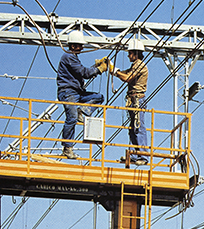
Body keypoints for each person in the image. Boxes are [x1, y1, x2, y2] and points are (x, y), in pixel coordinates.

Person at [57, 30, 107, 159]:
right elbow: (84, 73)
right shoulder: (68, 57)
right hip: (68, 92)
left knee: (99, 97)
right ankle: (67, 148)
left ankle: (82, 111)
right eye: (80, 45)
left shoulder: (72, 57)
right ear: (73, 45)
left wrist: (96, 67)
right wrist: (99, 69)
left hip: (77, 92)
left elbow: (82, 71)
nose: (82, 48)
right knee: (72, 118)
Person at [112, 39, 149, 166]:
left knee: (138, 127)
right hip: (133, 100)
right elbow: (126, 72)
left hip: (138, 100)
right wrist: (115, 70)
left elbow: (127, 77)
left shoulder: (139, 65)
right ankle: (134, 154)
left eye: (130, 53)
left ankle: (143, 155)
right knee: (133, 129)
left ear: (135, 53)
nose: (128, 55)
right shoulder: (135, 65)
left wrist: (115, 72)